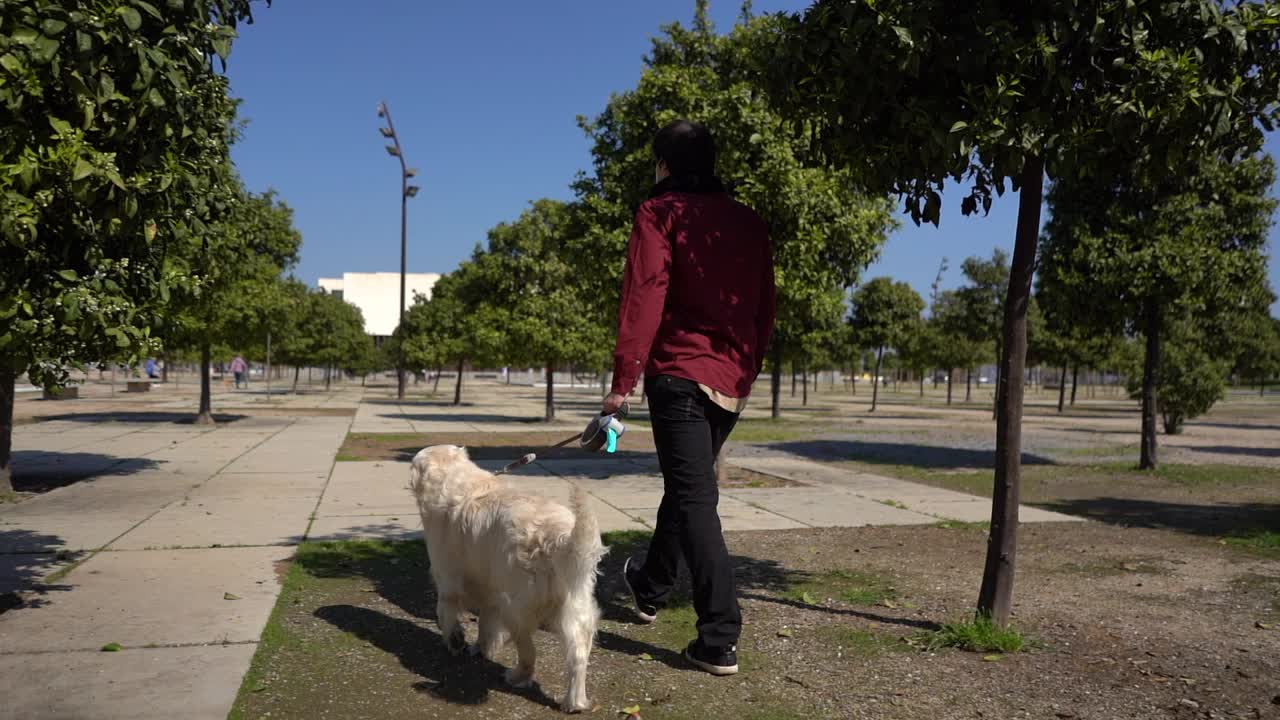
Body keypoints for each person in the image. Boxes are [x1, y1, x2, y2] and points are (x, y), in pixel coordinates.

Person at [603, 119, 775, 676]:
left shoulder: (660, 212)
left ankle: (718, 636)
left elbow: (644, 296)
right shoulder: (749, 222)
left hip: (678, 373)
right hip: (728, 379)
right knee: (688, 488)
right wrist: (744, 372)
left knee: (695, 497)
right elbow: (764, 309)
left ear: (665, 165)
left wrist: (621, 382)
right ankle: (650, 585)